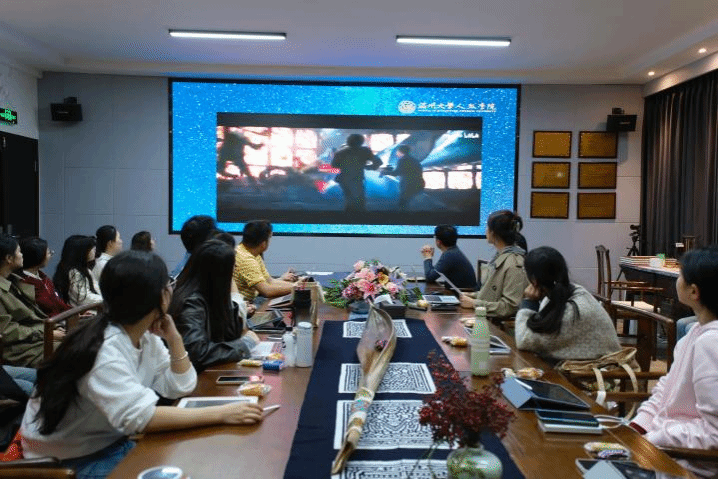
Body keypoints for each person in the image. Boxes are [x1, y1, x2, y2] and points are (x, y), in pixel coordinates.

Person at [21, 251, 264, 479]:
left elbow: (180, 386)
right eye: (167, 284)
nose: (172, 288)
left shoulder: (144, 335)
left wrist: (175, 339)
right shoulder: (105, 349)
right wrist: (222, 413)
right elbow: (142, 419)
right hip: (70, 459)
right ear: (158, 297)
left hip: (109, 441)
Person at [630, 246, 718, 456]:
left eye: (680, 275)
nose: (676, 280)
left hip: (684, 461)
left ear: (694, 292)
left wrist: (655, 438)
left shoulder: (710, 343)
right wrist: (638, 426)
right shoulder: (695, 332)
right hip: (661, 446)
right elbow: (666, 389)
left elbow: (714, 434)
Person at [514, 246, 621, 361]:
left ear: (534, 280)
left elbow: (523, 340)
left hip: (602, 370)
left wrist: (529, 302)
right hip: (589, 366)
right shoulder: (574, 291)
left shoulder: (572, 310)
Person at [170, 240, 259, 372]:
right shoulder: (191, 303)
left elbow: (232, 334)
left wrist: (230, 301)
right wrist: (244, 345)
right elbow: (197, 353)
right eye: (232, 269)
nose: (234, 273)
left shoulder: (210, 294)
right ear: (219, 273)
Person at [0, 233, 64, 367]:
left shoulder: (14, 281)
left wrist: (54, 328)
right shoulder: (9, 285)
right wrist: (47, 333)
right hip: (20, 349)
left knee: (85, 343)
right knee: (78, 351)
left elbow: (35, 315)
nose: (22, 255)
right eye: (19, 252)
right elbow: (8, 331)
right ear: (9, 258)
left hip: (34, 339)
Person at [460, 210, 528, 321]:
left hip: (498, 326)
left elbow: (509, 307)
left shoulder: (514, 264)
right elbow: (494, 293)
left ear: (494, 232)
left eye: (487, 227)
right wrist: (473, 295)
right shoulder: (501, 257)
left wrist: (474, 303)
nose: (486, 231)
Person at [233, 220, 299, 301]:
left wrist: (296, 284)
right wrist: (297, 287)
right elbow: (267, 291)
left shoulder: (251, 252)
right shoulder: (246, 259)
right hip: (246, 304)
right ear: (263, 243)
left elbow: (270, 282)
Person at [18, 236, 71, 317]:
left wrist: (76, 312)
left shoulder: (42, 277)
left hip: (60, 318)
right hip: (50, 322)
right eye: (49, 253)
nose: (51, 254)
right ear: (38, 257)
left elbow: (58, 302)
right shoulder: (25, 282)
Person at [331, 133, 382, 211]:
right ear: (361, 141)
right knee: (360, 202)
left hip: (344, 180)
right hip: (357, 179)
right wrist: (370, 167)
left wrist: (345, 165)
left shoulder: (341, 152)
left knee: (349, 200)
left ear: (348, 141)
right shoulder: (365, 151)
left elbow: (334, 165)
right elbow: (378, 162)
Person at [421, 224, 477, 290]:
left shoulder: (449, 255)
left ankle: (413, 295)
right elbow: (433, 273)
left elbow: (430, 277)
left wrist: (427, 257)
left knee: (417, 292)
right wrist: (429, 257)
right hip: (457, 292)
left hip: (460, 294)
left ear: (438, 242)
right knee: (417, 292)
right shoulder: (453, 252)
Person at [54, 235, 103, 307]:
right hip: (83, 311)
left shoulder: (84, 269)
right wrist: (107, 300)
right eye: (92, 249)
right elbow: (84, 298)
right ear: (81, 252)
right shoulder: (74, 273)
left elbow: (96, 291)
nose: (94, 251)